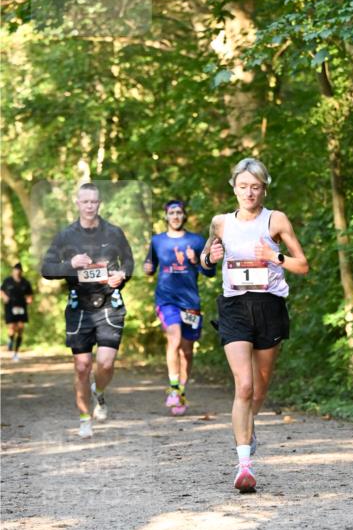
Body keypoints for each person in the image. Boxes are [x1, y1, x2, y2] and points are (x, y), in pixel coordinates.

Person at [202, 157, 308, 492]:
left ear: (264, 189)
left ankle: (248, 429)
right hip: (234, 306)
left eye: (256, 187)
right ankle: (244, 464)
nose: (249, 193)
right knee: (244, 386)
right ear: (233, 187)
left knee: (259, 389)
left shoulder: (276, 219)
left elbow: (302, 265)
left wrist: (274, 256)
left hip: (269, 306)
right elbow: (206, 261)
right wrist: (209, 259)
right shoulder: (220, 223)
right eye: (243, 186)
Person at [41, 183, 134, 438]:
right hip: (79, 306)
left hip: (109, 304)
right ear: (78, 203)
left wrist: (122, 276)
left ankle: (99, 392)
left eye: (94, 202)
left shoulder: (114, 232)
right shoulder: (65, 236)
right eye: (85, 202)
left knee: (105, 362)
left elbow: (128, 262)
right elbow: (46, 269)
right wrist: (70, 264)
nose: (90, 206)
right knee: (82, 366)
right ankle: (84, 418)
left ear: (99, 203)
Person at [143, 200, 213, 415]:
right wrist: (147, 268)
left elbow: (210, 272)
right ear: (166, 216)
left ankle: (181, 391)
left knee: (187, 351)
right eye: (172, 213)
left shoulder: (197, 241)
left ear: (184, 216)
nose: (175, 216)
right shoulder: (157, 241)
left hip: (190, 302)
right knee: (173, 338)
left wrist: (196, 261)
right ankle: (173, 388)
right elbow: (150, 266)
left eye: (179, 212)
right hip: (166, 300)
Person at [2, 263, 34, 362]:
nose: (17, 272)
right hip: (10, 307)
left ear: (21, 272)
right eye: (15, 270)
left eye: (19, 270)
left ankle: (15, 353)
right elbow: (1, 291)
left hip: (21, 307)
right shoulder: (7, 281)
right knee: (12, 327)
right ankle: (11, 339)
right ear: (13, 271)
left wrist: (29, 299)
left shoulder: (25, 282)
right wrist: (4, 297)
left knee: (20, 328)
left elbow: (30, 294)